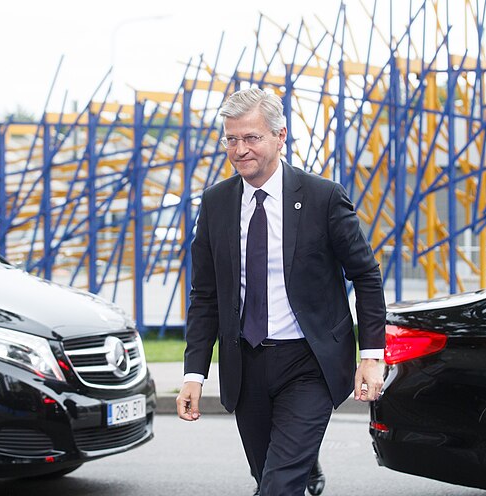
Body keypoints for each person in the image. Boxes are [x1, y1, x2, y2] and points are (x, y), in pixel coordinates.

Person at [176, 87, 386, 495]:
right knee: (267, 475)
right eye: (231, 139)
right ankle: (306, 471)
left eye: (251, 137)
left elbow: (366, 274)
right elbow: (205, 296)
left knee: (276, 487)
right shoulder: (216, 203)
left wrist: (372, 355)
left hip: (308, 363)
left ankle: (299, 473)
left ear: (280, 136)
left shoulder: (323, 197)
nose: (240, 150)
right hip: (246, 364)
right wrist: (193, 374)